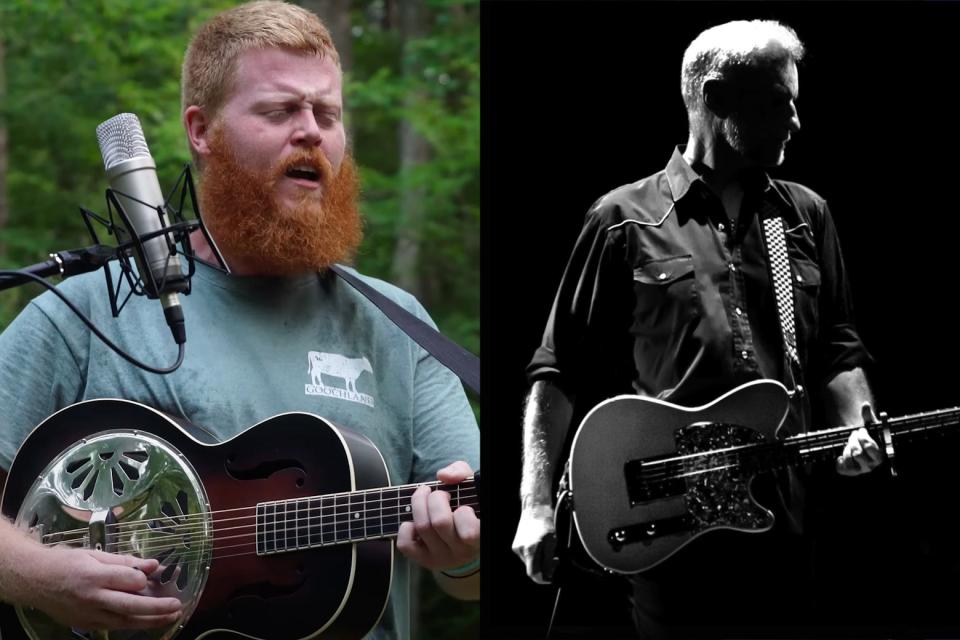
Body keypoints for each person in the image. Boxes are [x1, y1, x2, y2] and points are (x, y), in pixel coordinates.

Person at [0, 2, 479, 638]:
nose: (311, 132)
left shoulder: (397, 325)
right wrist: (40, 576)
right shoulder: (80, 315)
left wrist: (464, 556)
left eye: (328, 114)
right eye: (280, 111)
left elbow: (477, 571)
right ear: (202, 130)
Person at [512, 19, 880, 638]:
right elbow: (557, 371)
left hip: (782, 511)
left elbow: (837, 352)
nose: (795, 122)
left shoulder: (806, 215)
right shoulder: (621, 219)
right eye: (777, 103)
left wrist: (857, 424)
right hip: (667, 515)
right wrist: (536, 505)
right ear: (714, 99)